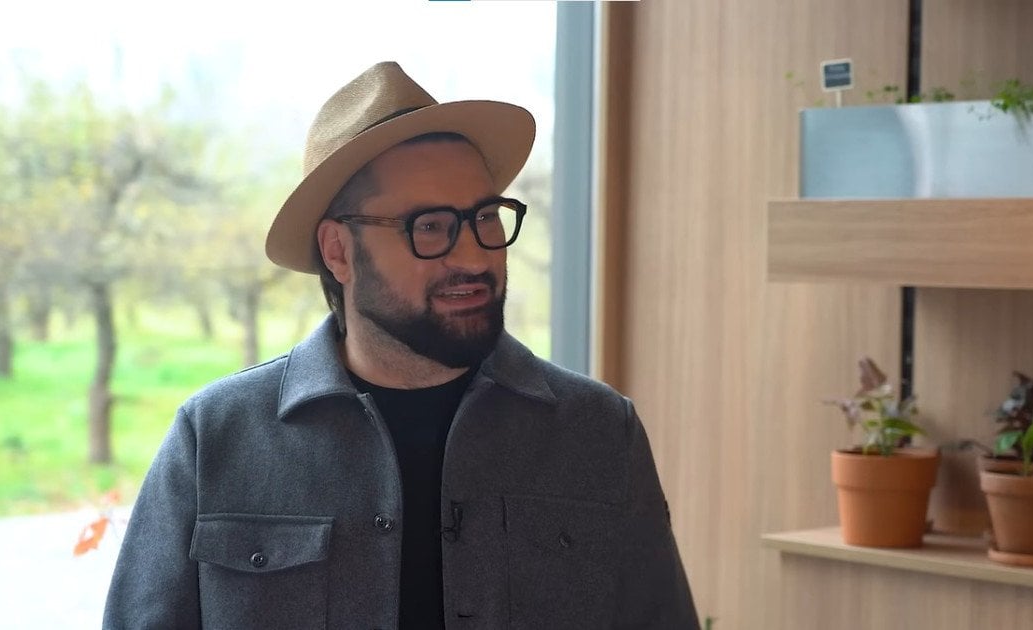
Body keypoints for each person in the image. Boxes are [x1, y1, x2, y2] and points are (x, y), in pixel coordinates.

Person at [103, 61, 698, 630]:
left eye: (484, 217)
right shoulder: (215, 438)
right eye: (430, 226)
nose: (474, 256)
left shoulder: (598, 432)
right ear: (338, 252)